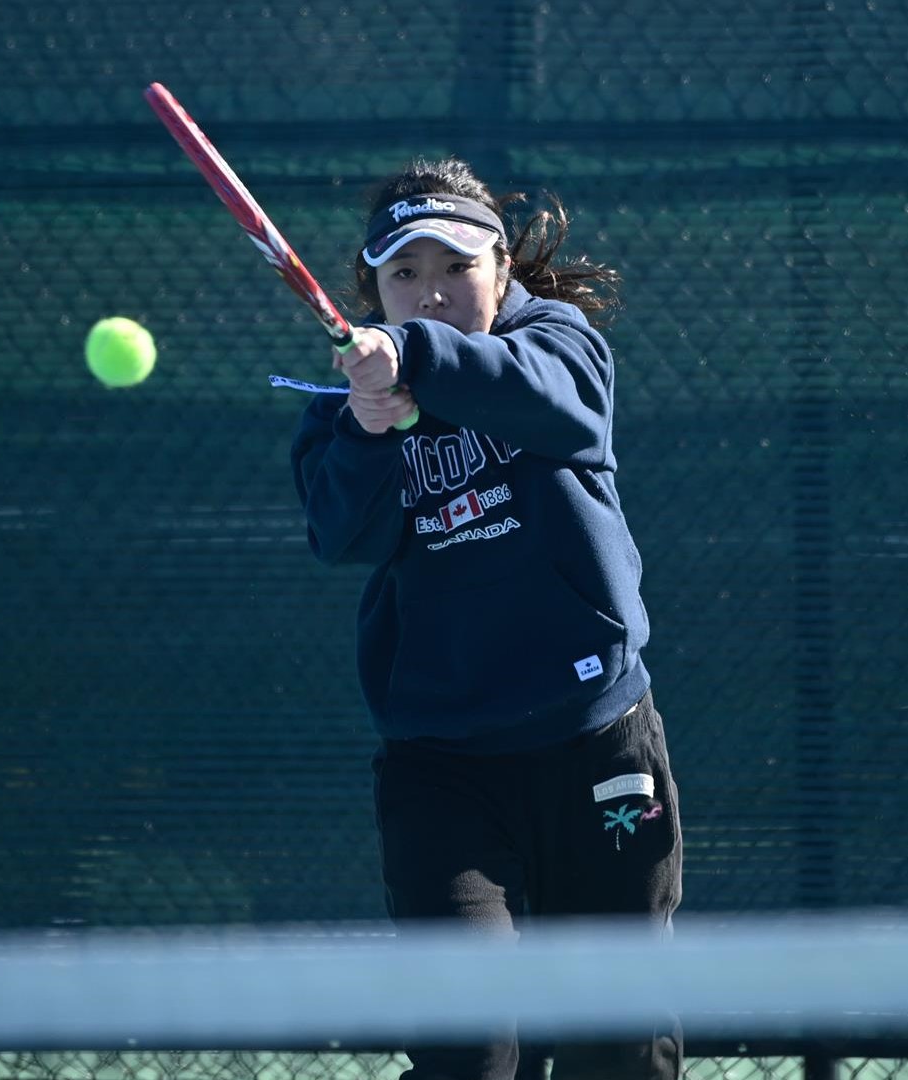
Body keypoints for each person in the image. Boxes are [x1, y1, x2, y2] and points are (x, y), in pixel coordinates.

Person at [290, 157, 682, 1080]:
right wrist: (366, 426)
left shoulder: (561, 343)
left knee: (619, 1047)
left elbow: (551, 400)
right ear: (373, 289)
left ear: (501, 272)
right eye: (405, 275)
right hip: (443, 773)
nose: (431, 293)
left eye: (455, 267)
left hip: (600, 744)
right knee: (468, 1048)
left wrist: (419, 359)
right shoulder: (347, 404)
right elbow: (342, 536)